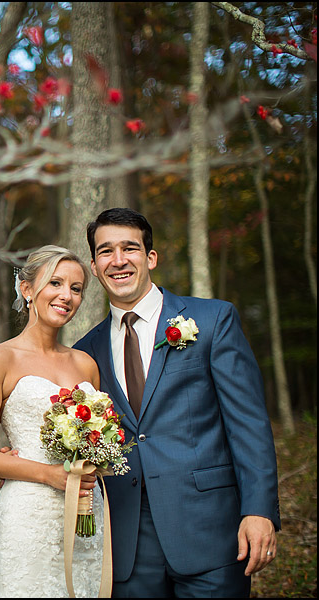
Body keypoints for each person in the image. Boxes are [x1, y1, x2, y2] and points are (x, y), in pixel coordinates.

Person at [73, 207, 280, 597]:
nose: (118, 260)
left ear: (150, 258)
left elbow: (248, 425)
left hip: (211, 532)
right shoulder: (85, 352)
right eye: (105, 251)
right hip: (128, 545)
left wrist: (260, 510)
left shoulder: (212, 320)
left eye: (129, 248)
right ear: (95, 266)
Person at [0, 245, 106, 598]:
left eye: (76, 288)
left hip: (86, 515)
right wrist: (44, 473)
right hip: (27, 518)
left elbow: (98, 442)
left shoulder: (85, 365)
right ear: (27, 290)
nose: (66, 296)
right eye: (55, 283)